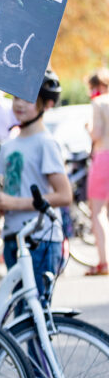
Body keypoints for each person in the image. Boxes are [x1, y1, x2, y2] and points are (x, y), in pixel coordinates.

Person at [0, 70, 72, 296]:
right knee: (18, 315)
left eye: (28, 99)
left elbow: (64, 195)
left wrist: (14, 203)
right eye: (16, 97)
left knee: (34, 314)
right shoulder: (8, 146)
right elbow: (10, 190)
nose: (19, 104)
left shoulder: (45, 143)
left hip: (39, 239)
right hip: (13, 238)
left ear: (46, 104)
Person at [85, 69, 109, 275]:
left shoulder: (99, 103)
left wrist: (88, 129)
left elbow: (97, 133)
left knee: (98, 211)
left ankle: (104, 261)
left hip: (104, 157)